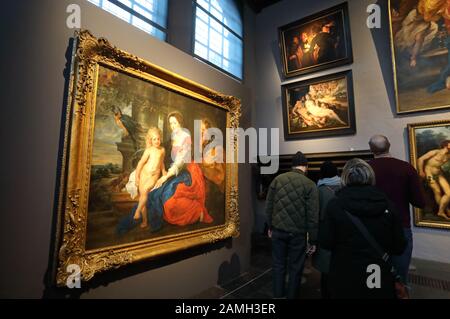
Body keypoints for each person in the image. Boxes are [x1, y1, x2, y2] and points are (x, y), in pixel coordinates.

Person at [320, 159, 407, 299]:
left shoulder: (335, 205)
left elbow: (325, 242)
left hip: (344, 273)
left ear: (345, 177)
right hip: (376, 273)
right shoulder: (387, 205)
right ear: (370, 176)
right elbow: (399, 246)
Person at [118, 112, 212, 234]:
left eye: (175, 123)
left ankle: (197, 212)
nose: (173, 126)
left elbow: (180, 162)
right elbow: (161, 156)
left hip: (184, 172)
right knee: (154, 195)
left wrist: (165, 176)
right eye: (170, 123)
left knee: (166, 199)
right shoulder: (172, 137)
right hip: (171, 172)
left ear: (180, 122)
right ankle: (140, 219)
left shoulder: (185, 137)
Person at [368, 135, 425, 286]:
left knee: (375, 277)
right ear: (389, 145)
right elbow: (419, 201)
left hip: (373, 228)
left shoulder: (366, 169)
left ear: (371, 149)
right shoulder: (406, 168)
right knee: (400, 277)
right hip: (400, 226)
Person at [265, 151, 319, 299]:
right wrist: (313, 240)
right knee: (296, 268)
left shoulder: (277, 180)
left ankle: (278, 295)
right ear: (306, 167)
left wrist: (270, 226)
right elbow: (313, 215)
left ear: (292, 166)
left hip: (278, 230)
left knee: (278, 265)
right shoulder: (310, 184)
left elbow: (268, 206)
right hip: (298, 234)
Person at [312, 161, 341, 299]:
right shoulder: (345, 187)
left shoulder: (319, 190)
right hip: (343, 234)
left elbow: (315, 216)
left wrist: (312, 239)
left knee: (326, 272)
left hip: (325, 233)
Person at [132, 127, 166, 228]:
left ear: (161, 139)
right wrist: (137, 177)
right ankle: (145, 221)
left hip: (154, 176)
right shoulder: (149, 150)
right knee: (143, 197)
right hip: (144, 174)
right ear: (151, 140)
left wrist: (163, 171)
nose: (157, 141)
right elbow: (140, 163)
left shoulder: (162, 150)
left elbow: (161, 162)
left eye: (158, 139)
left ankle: (137, 212)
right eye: (154, 139)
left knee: (146, 190)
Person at [417, 140, 450, 219]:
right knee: (437, 191)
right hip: (429, 173)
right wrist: (421, 171)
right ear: (446, 145)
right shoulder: (435, 152)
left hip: (439, 174)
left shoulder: (449, 155)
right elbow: (420, 159)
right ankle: (443, 211)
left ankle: (442, 210)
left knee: (449, 193)